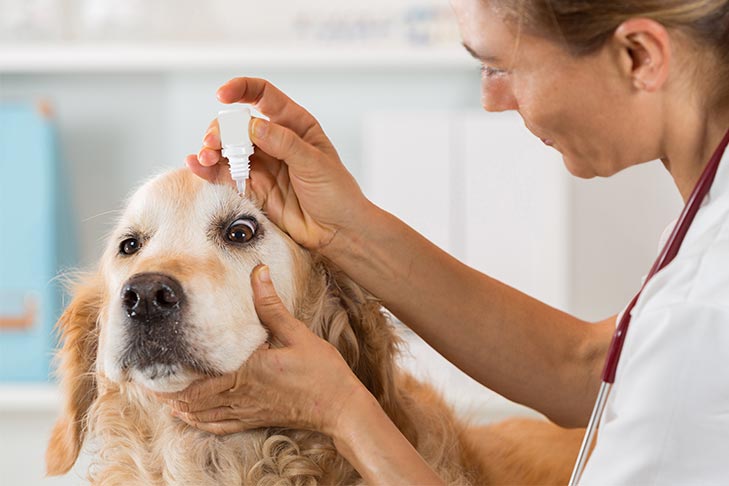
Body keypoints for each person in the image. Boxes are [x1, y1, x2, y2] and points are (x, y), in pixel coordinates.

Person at [161, 0, 729, 483]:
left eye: (498, 65)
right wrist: (346, 227)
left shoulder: (705, 310)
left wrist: (341, 411)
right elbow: (590, 367)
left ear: (640, 57)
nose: (491, 99)